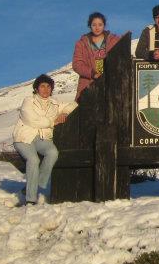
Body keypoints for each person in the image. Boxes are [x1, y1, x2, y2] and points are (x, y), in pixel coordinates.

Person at [12, 74, 76, 206]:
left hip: (42, 138)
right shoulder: (28, 101)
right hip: (24, 138)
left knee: (53, 153)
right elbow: (31, 119)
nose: (46, 89)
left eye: (48, 86)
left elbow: (72, 106)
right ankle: (31, 199)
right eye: (42, 86)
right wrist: (53, 121)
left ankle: (34, 184)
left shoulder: (54, 103)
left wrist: (64, 113)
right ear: (36, 88)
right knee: (33, 160)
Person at [72, 11, 121, 101]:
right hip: (88, 85)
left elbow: (121, 58)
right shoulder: (81, 43)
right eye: (94, 25)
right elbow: (77, 64)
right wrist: (93, 74)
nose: (97, 28)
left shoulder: (114, 40)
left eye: (100, 24)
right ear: (90, 26)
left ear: (104, 25)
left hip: (110, 84)